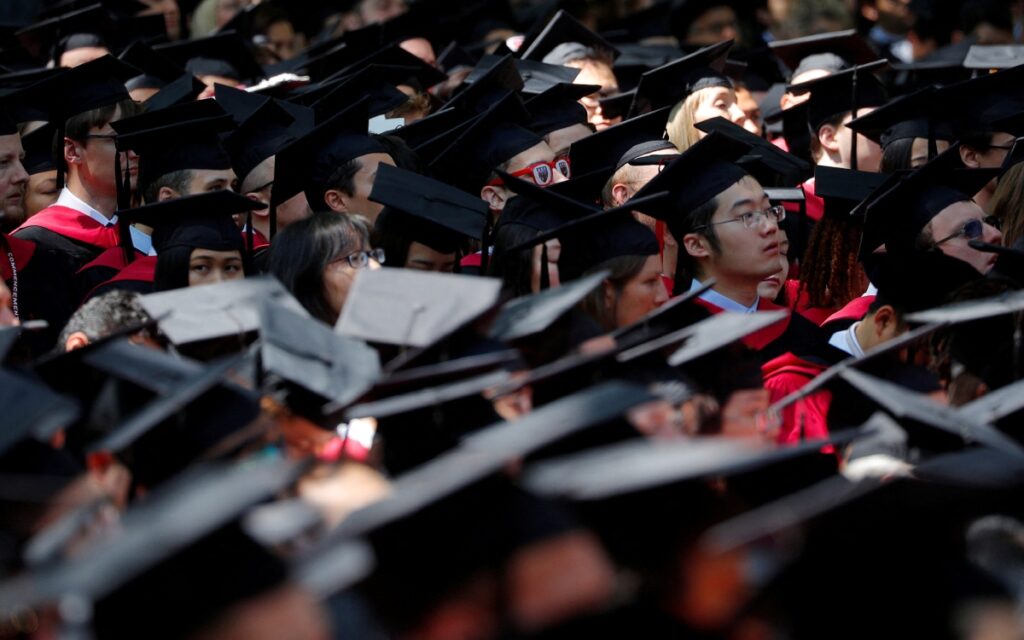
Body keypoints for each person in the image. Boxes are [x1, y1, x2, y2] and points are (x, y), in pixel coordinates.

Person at [12, 56, 143, 269]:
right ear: (73, 151)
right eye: (118, 140)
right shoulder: (34, 245)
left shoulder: (143, 243)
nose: (134, 151)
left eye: (137, 136)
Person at [268, 212, 380, 325]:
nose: (376, 267)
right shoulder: (285, 342)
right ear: (307, 278)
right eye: (356, 258)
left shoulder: (386, 335)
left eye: (372, 255)